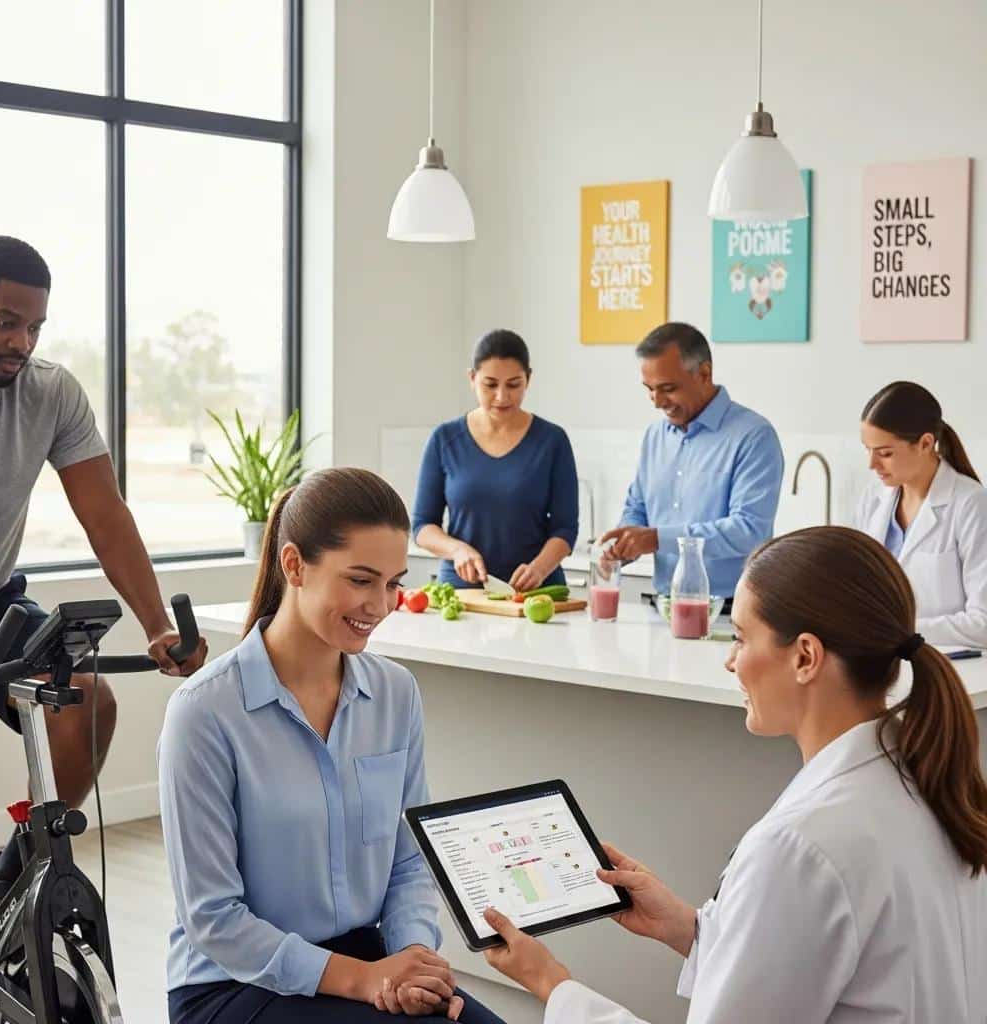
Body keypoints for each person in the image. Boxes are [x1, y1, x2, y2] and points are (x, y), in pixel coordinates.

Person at [480, 526, 987, 1022]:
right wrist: (687, 929)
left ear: (805, 657)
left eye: (741, 638)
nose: (730, 661)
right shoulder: (933, 784)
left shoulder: (799, 847)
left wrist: (552, 985)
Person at [158, 468, 505, 1024]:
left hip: (368, 958)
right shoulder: (205, 712)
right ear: (294, 565)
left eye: (393, 582)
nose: (381, 604)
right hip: (234, 985)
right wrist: (362, 979)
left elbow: (409, 862)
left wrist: (411, 959)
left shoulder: (395, 693)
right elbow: (213, 918)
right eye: (360, 580)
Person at [0, 235, 207, 918]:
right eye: (3, 321)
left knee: (88, 702)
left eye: (34, 326)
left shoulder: (50, 393)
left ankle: (7, 876)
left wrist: (159, 626)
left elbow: (105, 515)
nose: (21, 341)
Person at [600, 322, 783, 601]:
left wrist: (657, 538)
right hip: (665, 605)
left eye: (668, 388)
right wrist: (623, 546)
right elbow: (637, 510)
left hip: (731, 613)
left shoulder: (754, 436)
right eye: (649, 389)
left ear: (704, 374)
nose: (657, 401)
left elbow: (749, 530)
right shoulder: (655, 436)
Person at [412, 329, 578, 591]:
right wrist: (457, 550)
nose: (502, 396)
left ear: (528, 379)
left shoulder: (552, 441)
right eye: (490, 385)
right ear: (472, 378)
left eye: (514, 384)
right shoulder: (445, 439)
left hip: (536, 593)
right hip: (463, 591)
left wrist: (539, 568)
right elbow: (422, 526)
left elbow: (565, 529)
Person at [856, 381, 987, 648]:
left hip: (951, 667)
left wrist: (896, 630)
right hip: (884, 658)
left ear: (925, 443)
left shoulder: (971, 505)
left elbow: (983, 623)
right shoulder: (874, 497)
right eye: (867, 450)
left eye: (885, 453)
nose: (872, 464)